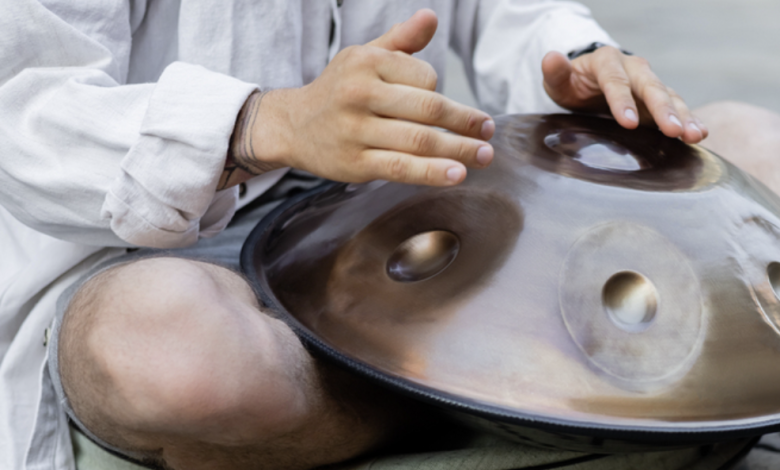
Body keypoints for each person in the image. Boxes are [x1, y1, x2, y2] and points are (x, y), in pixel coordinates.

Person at [0, 1, 755, 469]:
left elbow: (502, 12)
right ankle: (473, 404)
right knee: (166, 353)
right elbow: (23, 111)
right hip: (155, 238)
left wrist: (574, 63)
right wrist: (263, 125)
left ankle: (484, 388)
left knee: (756, 144)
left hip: (399, 198)